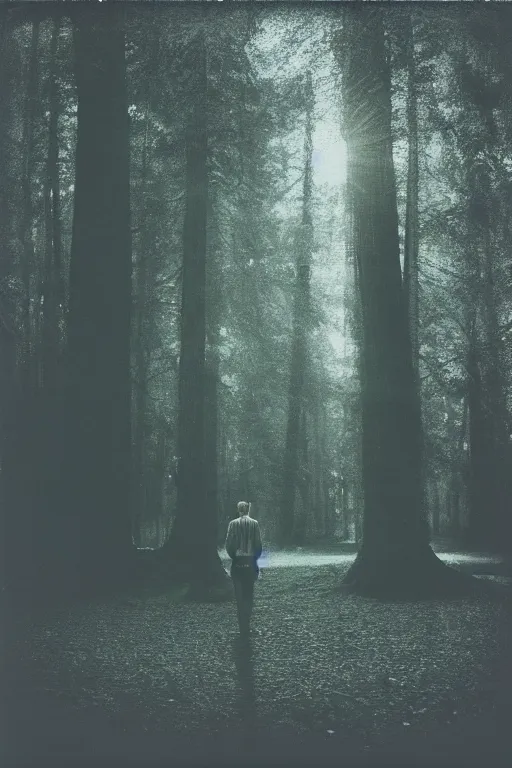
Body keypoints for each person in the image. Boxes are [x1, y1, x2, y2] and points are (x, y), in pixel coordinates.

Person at [225, 501, 262, 637]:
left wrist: (234, 557)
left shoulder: (232, 524)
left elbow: (228, 545)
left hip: (237, 562)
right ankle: (247, 625)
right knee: (249, 594)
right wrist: (255, 559)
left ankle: (242, 628)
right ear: (248, 509)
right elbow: (258, 545)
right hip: (250, 562)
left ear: (238, 509)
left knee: (239, 596)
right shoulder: (255, 524)